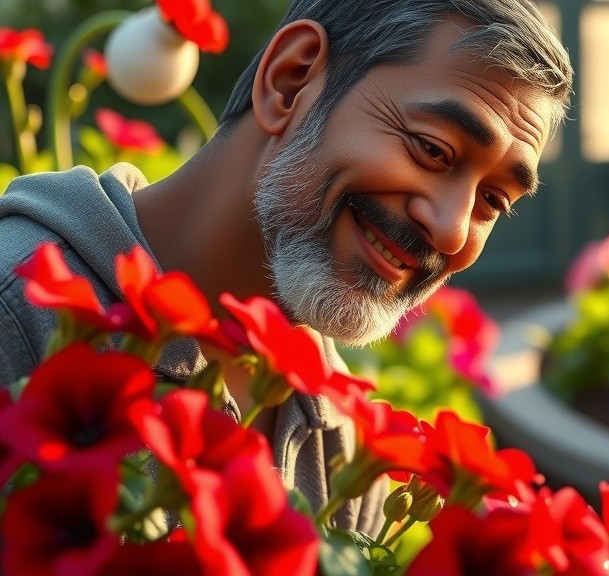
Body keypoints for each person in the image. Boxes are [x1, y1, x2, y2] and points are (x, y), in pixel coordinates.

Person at [0, 0, 573, 532]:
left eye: (492, 202)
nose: (451, 230)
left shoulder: (341, 438)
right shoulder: (18, 307)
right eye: (431, 149)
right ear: (290, 80)